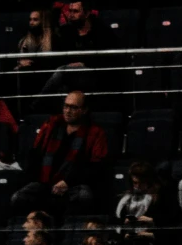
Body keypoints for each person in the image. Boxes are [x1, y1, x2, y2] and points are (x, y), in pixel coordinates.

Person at [10, 88, 110, 216]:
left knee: (84, 196)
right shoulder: (51, 125)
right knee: (18, 198)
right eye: (66, 106)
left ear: (84, 110)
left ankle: (68, 233)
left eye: (74, 108)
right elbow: (35, 154)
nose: (68, 111)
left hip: (73, 184)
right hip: (45, 182)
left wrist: (68, 182)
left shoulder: (95, 132)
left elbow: (96, 166)